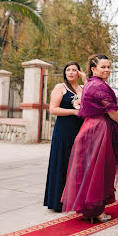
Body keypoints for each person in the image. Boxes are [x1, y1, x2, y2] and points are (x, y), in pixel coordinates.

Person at [61, 54, 118, 223]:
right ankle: (97, 211)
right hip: (100, 129)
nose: (107, 70)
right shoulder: (99, 85)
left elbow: (98, 103)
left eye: (109, 67)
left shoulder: (90, 84)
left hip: (90, 127)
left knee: (88, 168)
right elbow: (111, 111)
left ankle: (88, 207)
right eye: (103, 67)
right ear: (93, 69)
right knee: (99, 169)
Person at [44, 62, 86, 212]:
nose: (71, 72)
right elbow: (53, 109)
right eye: (68, 70)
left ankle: (76, 199)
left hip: (80, 130)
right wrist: (74, 112)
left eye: (74, 70)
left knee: (78, 164)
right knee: (63, 162)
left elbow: (91, 101)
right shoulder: (60, 88)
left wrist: (86, 79)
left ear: (79, 73)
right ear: (65, 73)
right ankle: (58, 201)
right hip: (63, 130)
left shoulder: (83, 89)